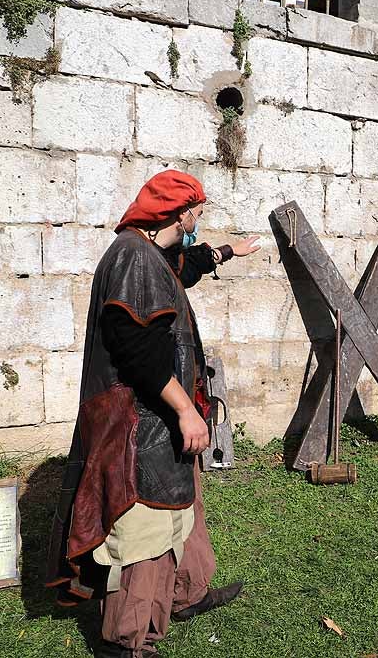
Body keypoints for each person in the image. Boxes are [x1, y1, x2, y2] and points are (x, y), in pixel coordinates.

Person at [45, 171, 261, 658]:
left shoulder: (149, 254)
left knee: (184, 509)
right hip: (139, 421)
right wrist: (185, 410)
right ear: (181, 212)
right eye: (197, 214)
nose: (199, 222)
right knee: (145, 525)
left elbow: (182, 266)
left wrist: (227, 252)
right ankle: (127, 641)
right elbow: (138, 351)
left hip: (160, 417)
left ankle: (185, 594)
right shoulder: (132, 257)